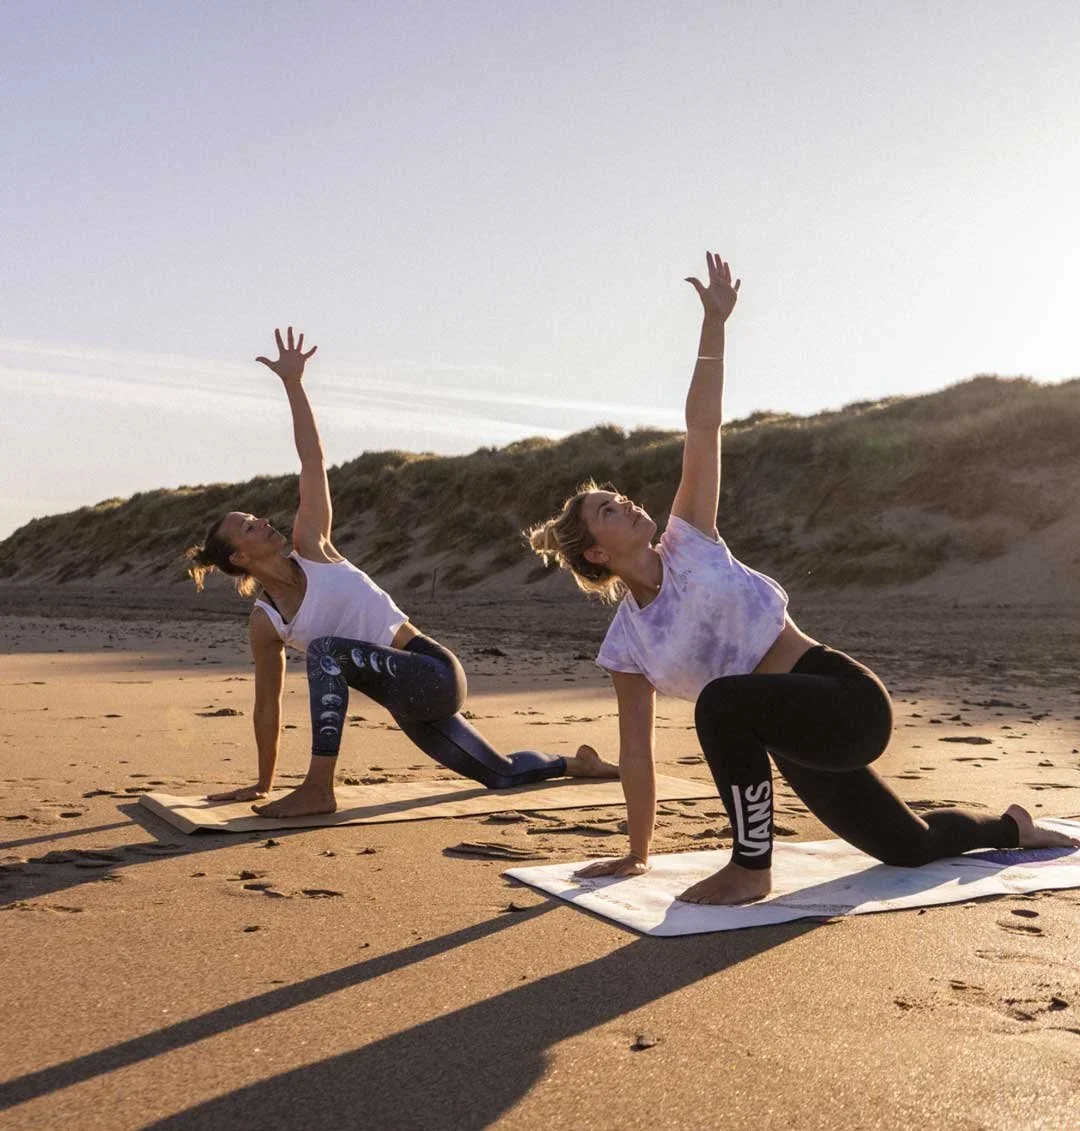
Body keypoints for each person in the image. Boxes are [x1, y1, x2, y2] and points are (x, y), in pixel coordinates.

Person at [526, 252, 1079, 904]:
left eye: (618, 496)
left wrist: (714, 324)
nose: (625, 502)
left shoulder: (689, 540)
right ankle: (1013, 828)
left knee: (720, 702)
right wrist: (638, 854)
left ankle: (750, 866)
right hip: (789, 737)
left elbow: (702, 427)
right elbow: (636, 750)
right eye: (608, 510)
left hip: (842, 700)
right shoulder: (627, 645)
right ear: (596, 554)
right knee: (907, 845)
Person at [187, 327, 616, 818]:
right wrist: (262, 783)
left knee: (325, 652)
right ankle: (576, 763)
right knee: (499, 773)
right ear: (238, 558)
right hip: (404, 698)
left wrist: (293, 384)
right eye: (248, 526)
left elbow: (312, 460)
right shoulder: (267, 623)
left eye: (255, 516)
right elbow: (268, 704)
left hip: (432, 672)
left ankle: (318, 789)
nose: (262, 521)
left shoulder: (313, 546)